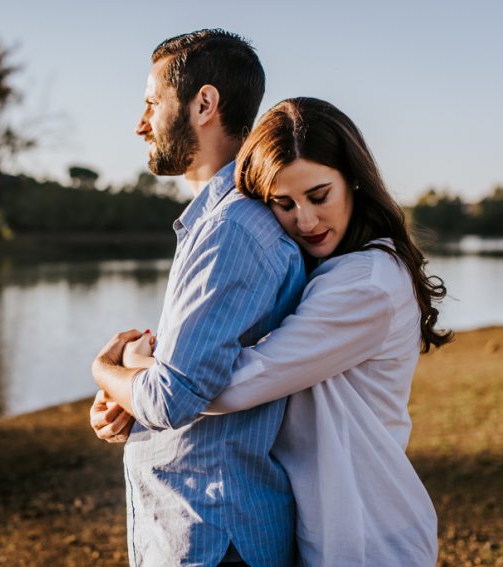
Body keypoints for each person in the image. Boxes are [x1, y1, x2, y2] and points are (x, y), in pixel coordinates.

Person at [95, 97, 452, 566]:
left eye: (319, 195)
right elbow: (212, 350)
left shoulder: (367, 282)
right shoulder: (324, 269)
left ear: (355, 181)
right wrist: (132, 397)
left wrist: (121, 370)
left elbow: (228, 383)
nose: (305, 221)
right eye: (284, 204)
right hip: (318, 527)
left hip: (370, 535)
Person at [90, 30, 307, 566]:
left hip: (214, 537)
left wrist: (105, 371)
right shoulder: (222, 221)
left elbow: (173, 398)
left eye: (151, 104)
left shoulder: (232, 228)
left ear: (204, 104)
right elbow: (190, 380)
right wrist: (126, 394)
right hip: (207, 530)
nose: (140, 124)